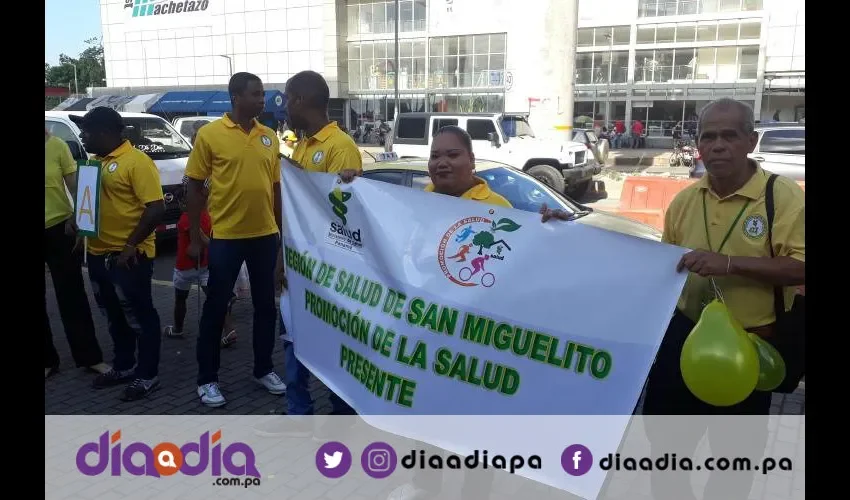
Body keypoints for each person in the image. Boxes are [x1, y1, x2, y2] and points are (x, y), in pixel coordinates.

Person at [390, 126, 565, 500]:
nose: (442, 162)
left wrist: (554, 235)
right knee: (427, 423)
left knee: (476, 431)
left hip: (477, 346)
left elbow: (521, 268)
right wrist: (352, 186)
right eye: (435, 155)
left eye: (452, 155)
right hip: (430, 340)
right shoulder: (420, 202)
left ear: (471, 161)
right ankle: (425, 486)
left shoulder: (497, 209)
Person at [642, 98, 805, 500]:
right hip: (683, 342)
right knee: (665, 454)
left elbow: (801, 266)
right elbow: (667, 270)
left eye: (729, 135)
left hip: (750, 348)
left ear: (750, 140)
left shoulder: (780, 196)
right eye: (708, 136)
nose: (717, 145)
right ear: (698, 144)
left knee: (733, 463)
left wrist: (729, 263)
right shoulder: (684, 200)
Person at [254, 70, 361, 438]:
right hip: (298, 267)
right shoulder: (300, 145)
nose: (283, 105)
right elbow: (296, 216)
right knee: (294, 341)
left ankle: (342, 416)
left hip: (327, 272)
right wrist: (283, 260)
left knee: (331, 344)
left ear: (300, 99)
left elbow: (343, 214)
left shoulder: (339, 146)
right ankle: (298, 414)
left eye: (286, 97)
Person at [185, 72, 287, 408]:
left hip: (265, 237)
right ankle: (207, 379)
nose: (262, 100)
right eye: (256, 94)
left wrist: (281, 233)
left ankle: (263, 369)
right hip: (226, 238)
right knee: (216, 308)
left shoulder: (269, 136)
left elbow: (275, 188)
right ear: (235, 97)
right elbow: (195, 185)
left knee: (265, 308)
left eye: (262, 95)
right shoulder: (210, 135)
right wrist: (197, 238)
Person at [70, 107, 166, 401]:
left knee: (140, 316)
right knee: (113, 316)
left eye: (86, 132)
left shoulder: (137, 162)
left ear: (104, 132)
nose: (82, 137)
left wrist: (129, 246)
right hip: (98, 254)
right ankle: (124, 366)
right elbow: (93, 205)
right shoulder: (95, 163)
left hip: (128, 258)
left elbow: (156, 208)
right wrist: (81, 231)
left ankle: (147, 375)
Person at [44, 128, 110, 379]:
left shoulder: (57, 145)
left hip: (60, 228)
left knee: (72, 295)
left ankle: (89, 357)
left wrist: (80, 219)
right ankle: (47, 360)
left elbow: (75, 186)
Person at [163, 176, 237, 347]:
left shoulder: (186, 219)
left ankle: (177, 328)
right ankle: (229, 329)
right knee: (214, 297)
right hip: (205, 265)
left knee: (180, 298)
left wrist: (212, 245)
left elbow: (199, 238)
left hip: (186, 266)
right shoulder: (206, 216)